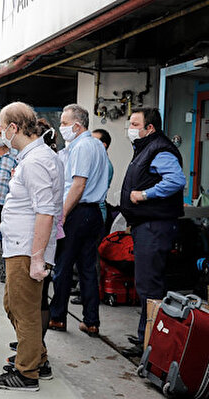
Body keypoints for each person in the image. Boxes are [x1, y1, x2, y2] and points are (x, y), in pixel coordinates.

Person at [0, 102, 63, 392]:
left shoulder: (36, 161)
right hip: (19, 246)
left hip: (26, 249)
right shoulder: (32, 157)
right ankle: (36, 358)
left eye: (2, 127)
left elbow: (46, 212)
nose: (0, 133)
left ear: (13, 128)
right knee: (13, 304)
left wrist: (37, 258)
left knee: (25, 310)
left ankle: (26, 372)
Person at [119, 108, 185, 357]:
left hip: (154, 226)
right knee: (146, 284)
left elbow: (176, 180)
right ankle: (144, 337)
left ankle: (150, 343)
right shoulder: (146, 148)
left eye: (135, 123)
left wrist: (145, 195)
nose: (130, 128)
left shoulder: (159, 149)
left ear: (150, 128)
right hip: (145, 224)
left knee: (150, 286)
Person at [48, 104, 108, 338]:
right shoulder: (96, 145)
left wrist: (61, 215)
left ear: (77, 125)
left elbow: (78, 185)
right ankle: (91, 320)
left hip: (77, 211)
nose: (61, 128)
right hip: (93, 213)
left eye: (64, 123)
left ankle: (57, 316)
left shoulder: (82, 146)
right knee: (87, 268)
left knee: (63, 266)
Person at [92, 128, 114, 222]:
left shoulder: (104, 165)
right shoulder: (96, 162)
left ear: (103, 145)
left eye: (94, 141)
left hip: (97, 211)